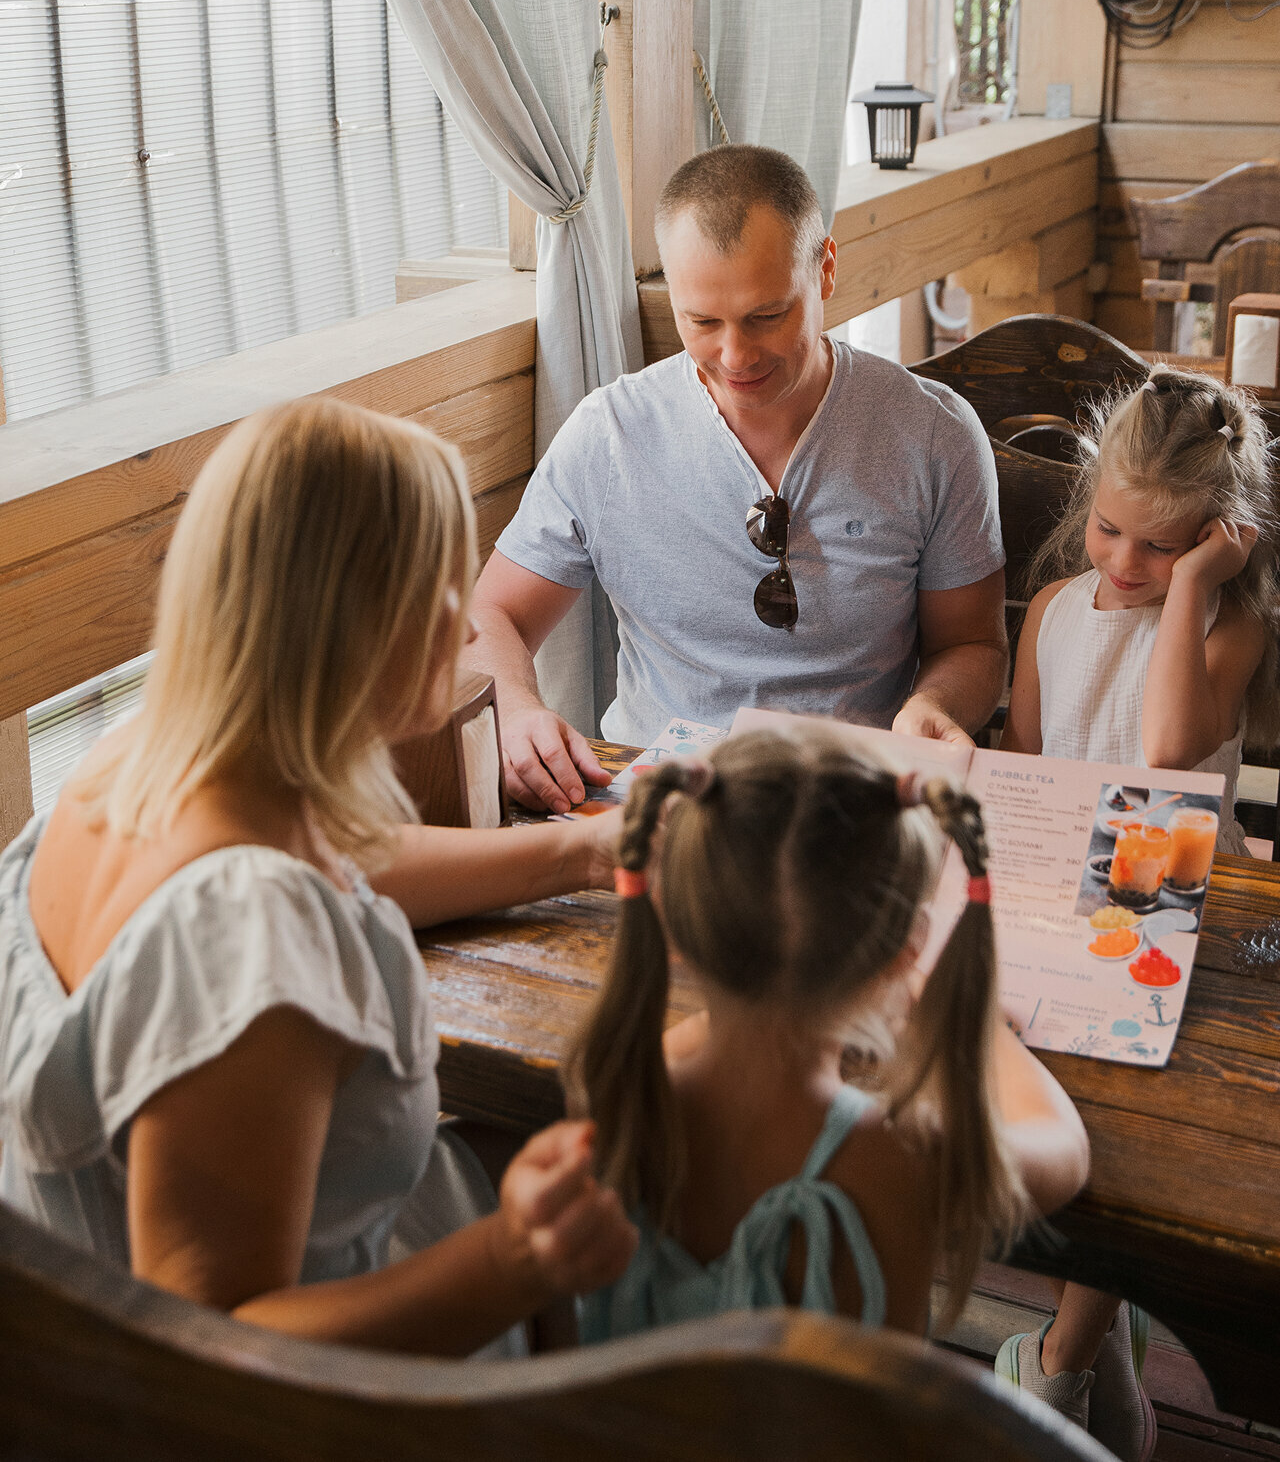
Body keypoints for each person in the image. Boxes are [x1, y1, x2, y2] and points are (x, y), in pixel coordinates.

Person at [0, 398, 635, 1354]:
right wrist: (516, 1260)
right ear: (355, 621)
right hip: (318, 1395)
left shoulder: (136, 762)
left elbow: (349, 861)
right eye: (441, 589)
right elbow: (220, 1346)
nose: (471, 632)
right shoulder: (245, 932)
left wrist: (584, 850)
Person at [472, 145, 1008, 814]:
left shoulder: (932, 433)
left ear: (826, 270)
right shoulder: (609, 434)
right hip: (658, 802)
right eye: (702, 322)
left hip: (855, 802)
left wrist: (935, 705)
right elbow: (494, 613)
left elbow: (972, 643)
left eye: (766, 316)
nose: (735, 356)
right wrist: (517, 708)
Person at [562, 730, 1090, 1344]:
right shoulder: (904, 1156)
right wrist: (987, 1032)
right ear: (906, 953)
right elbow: (1065, 1152)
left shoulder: (617, 1100)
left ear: (669, 925)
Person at [996, 365, 1279, 1457]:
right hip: (1067, 892)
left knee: (1128, 1126)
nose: (1121, 563)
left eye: (1160, 546)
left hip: (1177, 887)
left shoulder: (1225, 625)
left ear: (1218, 538)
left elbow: (1165, 756)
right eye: (1108, 528)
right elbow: (1028, 758)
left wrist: (1197, 584)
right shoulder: (1054, 611)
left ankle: (1057, 1368)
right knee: (1055, 1106)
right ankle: (1096, 1373)